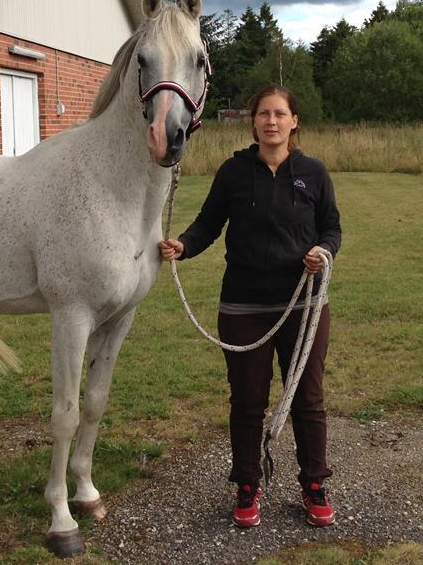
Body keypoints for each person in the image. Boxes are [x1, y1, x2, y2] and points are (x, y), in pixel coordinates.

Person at [159, 85, 342, 528]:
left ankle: (314, 484)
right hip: (243, 306)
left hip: (303, 305)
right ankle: (246, 484)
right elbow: (208, 223)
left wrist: (322, 251)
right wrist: (184, 245)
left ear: (294, 121)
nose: (271, 121)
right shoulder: (233, 172)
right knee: (247, 402)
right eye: (263, 114)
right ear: (254, 122)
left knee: (308, 399)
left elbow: (332, 229)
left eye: (280, 114)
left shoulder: (314, 173)